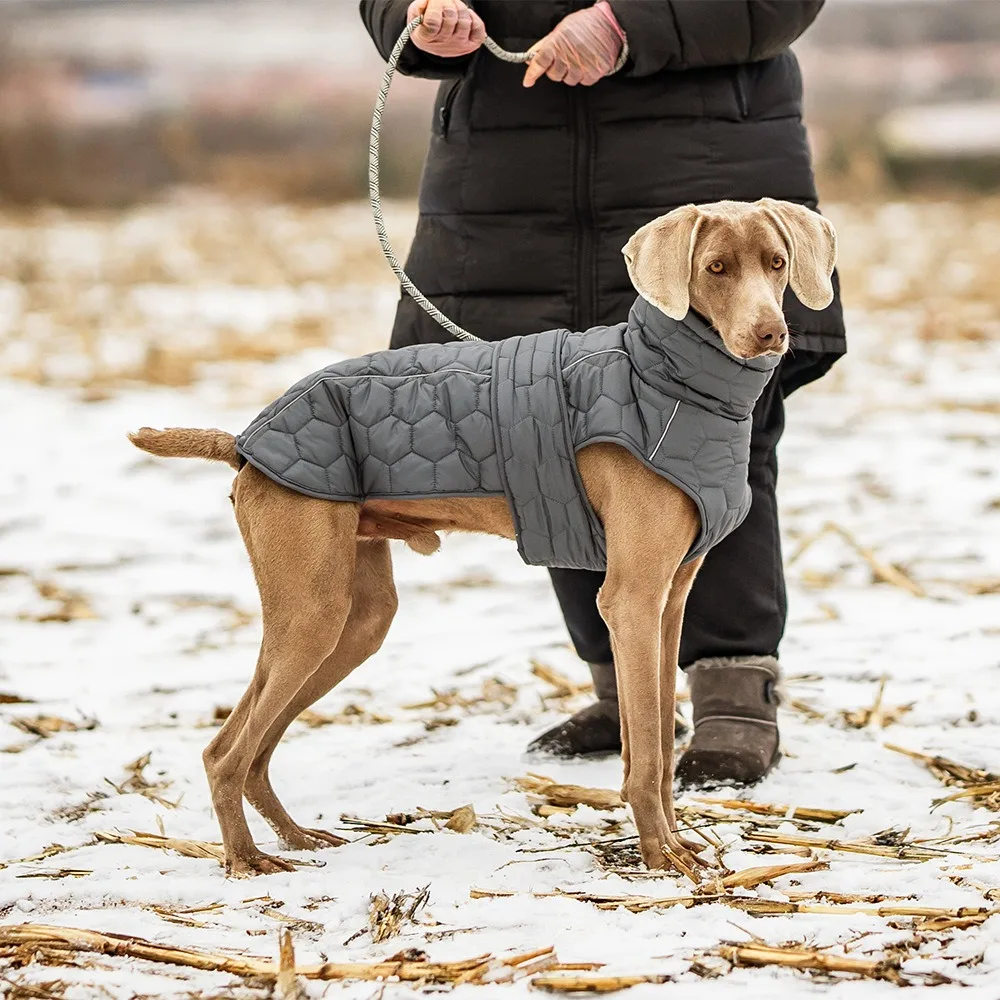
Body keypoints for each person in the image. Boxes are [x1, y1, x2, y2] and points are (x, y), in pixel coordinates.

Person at [359, 0, 844, 785]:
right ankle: (625, 689)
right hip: (511, 184)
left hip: (700, 156)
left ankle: (733, 696)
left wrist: (632, 26)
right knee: (544, 425)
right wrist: (417, 19)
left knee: (717, 433)